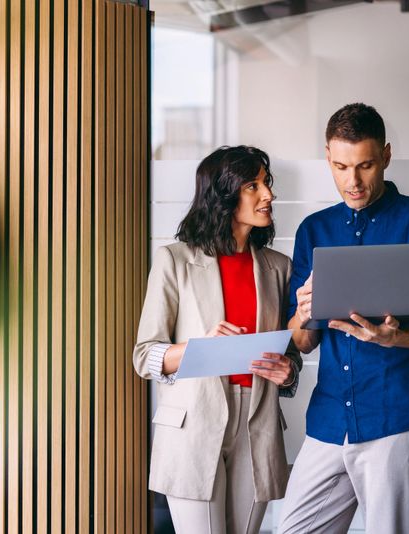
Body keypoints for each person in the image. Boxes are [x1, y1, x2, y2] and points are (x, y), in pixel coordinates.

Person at [278, 103, 409, 534]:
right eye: (341, 166)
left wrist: (395, 338)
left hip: (396, 417)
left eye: (364, 165)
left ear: (385, 155)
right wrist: (303, 316)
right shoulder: (313, 230)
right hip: (328, 419)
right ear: (328, 157)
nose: (353, 180)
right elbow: (303, 343)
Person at [133, 145, 302, 534]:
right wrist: (197, 350)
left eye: (267, 183)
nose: (268, 195)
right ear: (224, 194)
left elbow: (288, 354)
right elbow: (145, 356)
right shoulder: (174, 260)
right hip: (194, 424)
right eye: (253, 186)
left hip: (256, 426)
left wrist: (288, 372)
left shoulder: (279, 267)